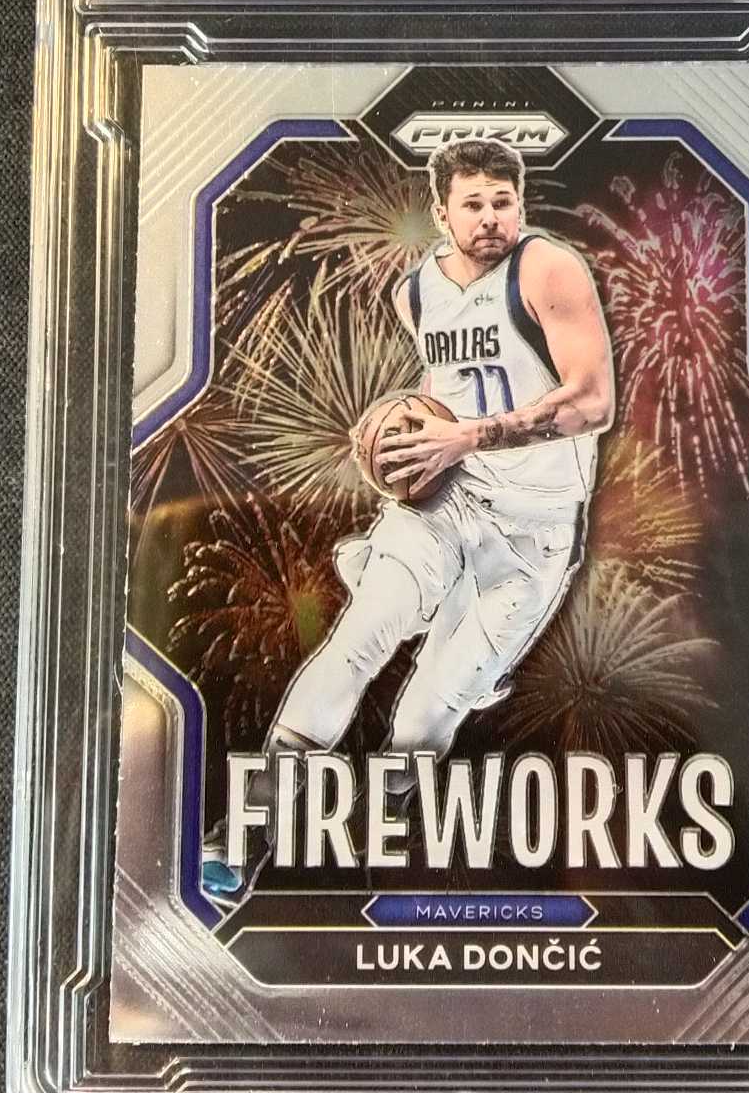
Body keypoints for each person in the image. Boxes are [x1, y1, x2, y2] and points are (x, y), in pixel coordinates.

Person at [202, 136, 615, 901]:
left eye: (503, 202)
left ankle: (385, 808)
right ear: (441, 212)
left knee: (427, 711)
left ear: (521, 204)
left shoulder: (547, 268)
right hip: (445, 504)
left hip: (533, 532)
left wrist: (468, 435)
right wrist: (399, 429)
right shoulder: (416, 291)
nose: (490, 218)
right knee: (358, 639)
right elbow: (448, 384)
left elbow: (593, 401)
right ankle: (248, 827)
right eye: (473, 204)